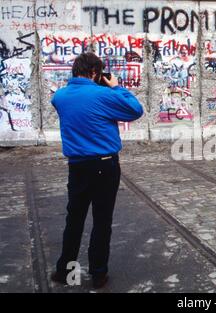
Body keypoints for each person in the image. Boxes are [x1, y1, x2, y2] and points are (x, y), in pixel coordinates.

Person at [50, 52, 143, 289]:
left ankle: (65, 272)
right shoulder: (103, 95)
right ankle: (98, 274)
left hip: (77, 166)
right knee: (102, 221)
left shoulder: (59, 97)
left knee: (74, 220)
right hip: (104, 165)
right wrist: (115, 87)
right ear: (95, 72)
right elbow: (135, 109)